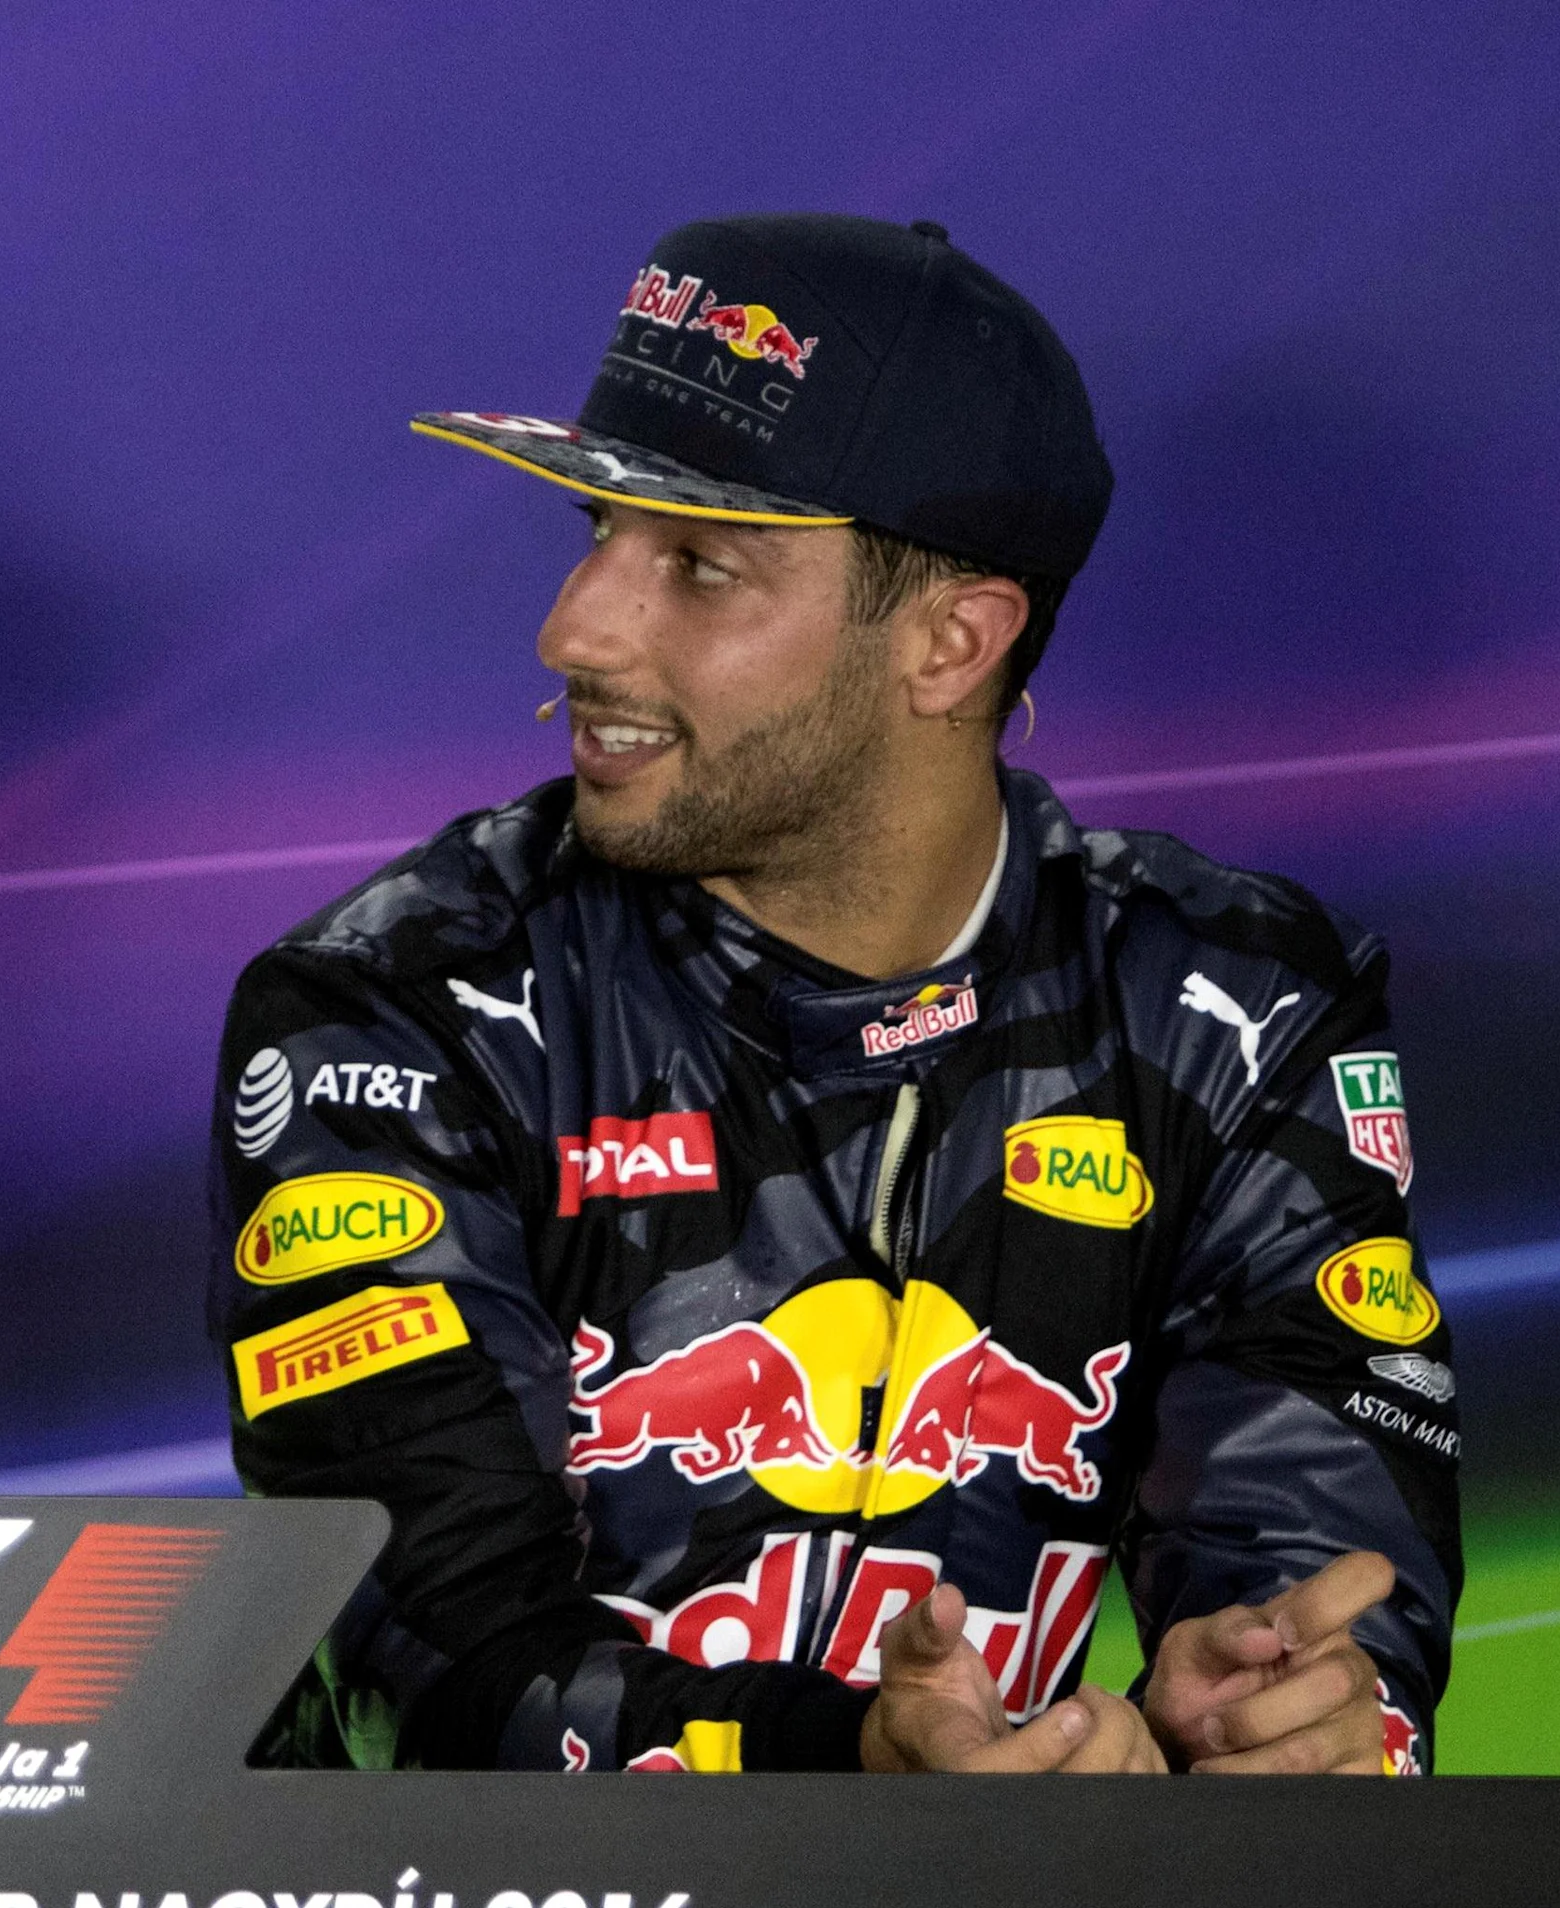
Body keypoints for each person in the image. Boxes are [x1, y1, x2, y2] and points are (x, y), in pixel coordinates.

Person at [212, 214, 1454, 1776]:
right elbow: (440, 1666)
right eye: (596, 535)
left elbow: (1318, 1545)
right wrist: (854, 1768)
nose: (574, 629)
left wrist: (1280, 1703)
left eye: (700, 566)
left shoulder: (1237, 1007)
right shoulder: (395, 1008)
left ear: (951, 643)